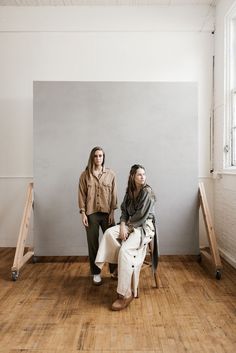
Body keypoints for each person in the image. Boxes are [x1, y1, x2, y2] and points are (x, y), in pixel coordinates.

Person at [95, 164, 158, 311]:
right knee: (109, 233)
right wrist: (123, 225)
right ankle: (119, 266)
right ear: (132, 177)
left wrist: (128, 227)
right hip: (129, 224)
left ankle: (126, 293)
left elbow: (141, 216)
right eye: (139, 175)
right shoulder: (130, 192)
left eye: (144, 174)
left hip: (144, 227)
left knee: (125, 250)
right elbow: (124, 211)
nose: (143, 177)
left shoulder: (147, 192)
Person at [78, 146, 118, 285]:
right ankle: (96, 273)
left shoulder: (111, 174)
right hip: (91, 214)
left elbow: (114, 195)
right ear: (92, 157)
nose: (98, 158)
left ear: (103, 157)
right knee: (93, 244)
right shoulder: (85, 175)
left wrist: (112, 212)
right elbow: (82, 195)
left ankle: (114, 271)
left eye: (100, 156)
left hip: (108, 214)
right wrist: (83, 213)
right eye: (96, 156)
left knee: (113, 242)